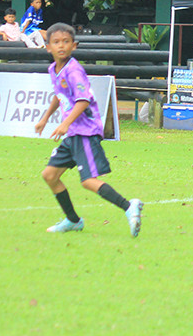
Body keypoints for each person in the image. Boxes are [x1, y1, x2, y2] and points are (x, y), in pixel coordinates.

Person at [35, 23, 143, 237]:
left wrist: (65, 124)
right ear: (48, 47)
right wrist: (45, 118)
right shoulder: (53, 69)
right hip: (73, 134)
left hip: (84, 132)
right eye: (56, 42)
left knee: (88, 181)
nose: (61, 46)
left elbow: (83, 100)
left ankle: (129, 206)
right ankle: (73, 221)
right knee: (49, 175)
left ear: (74, 45)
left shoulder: (74, 71)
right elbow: (59, 96)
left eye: (66, 42)